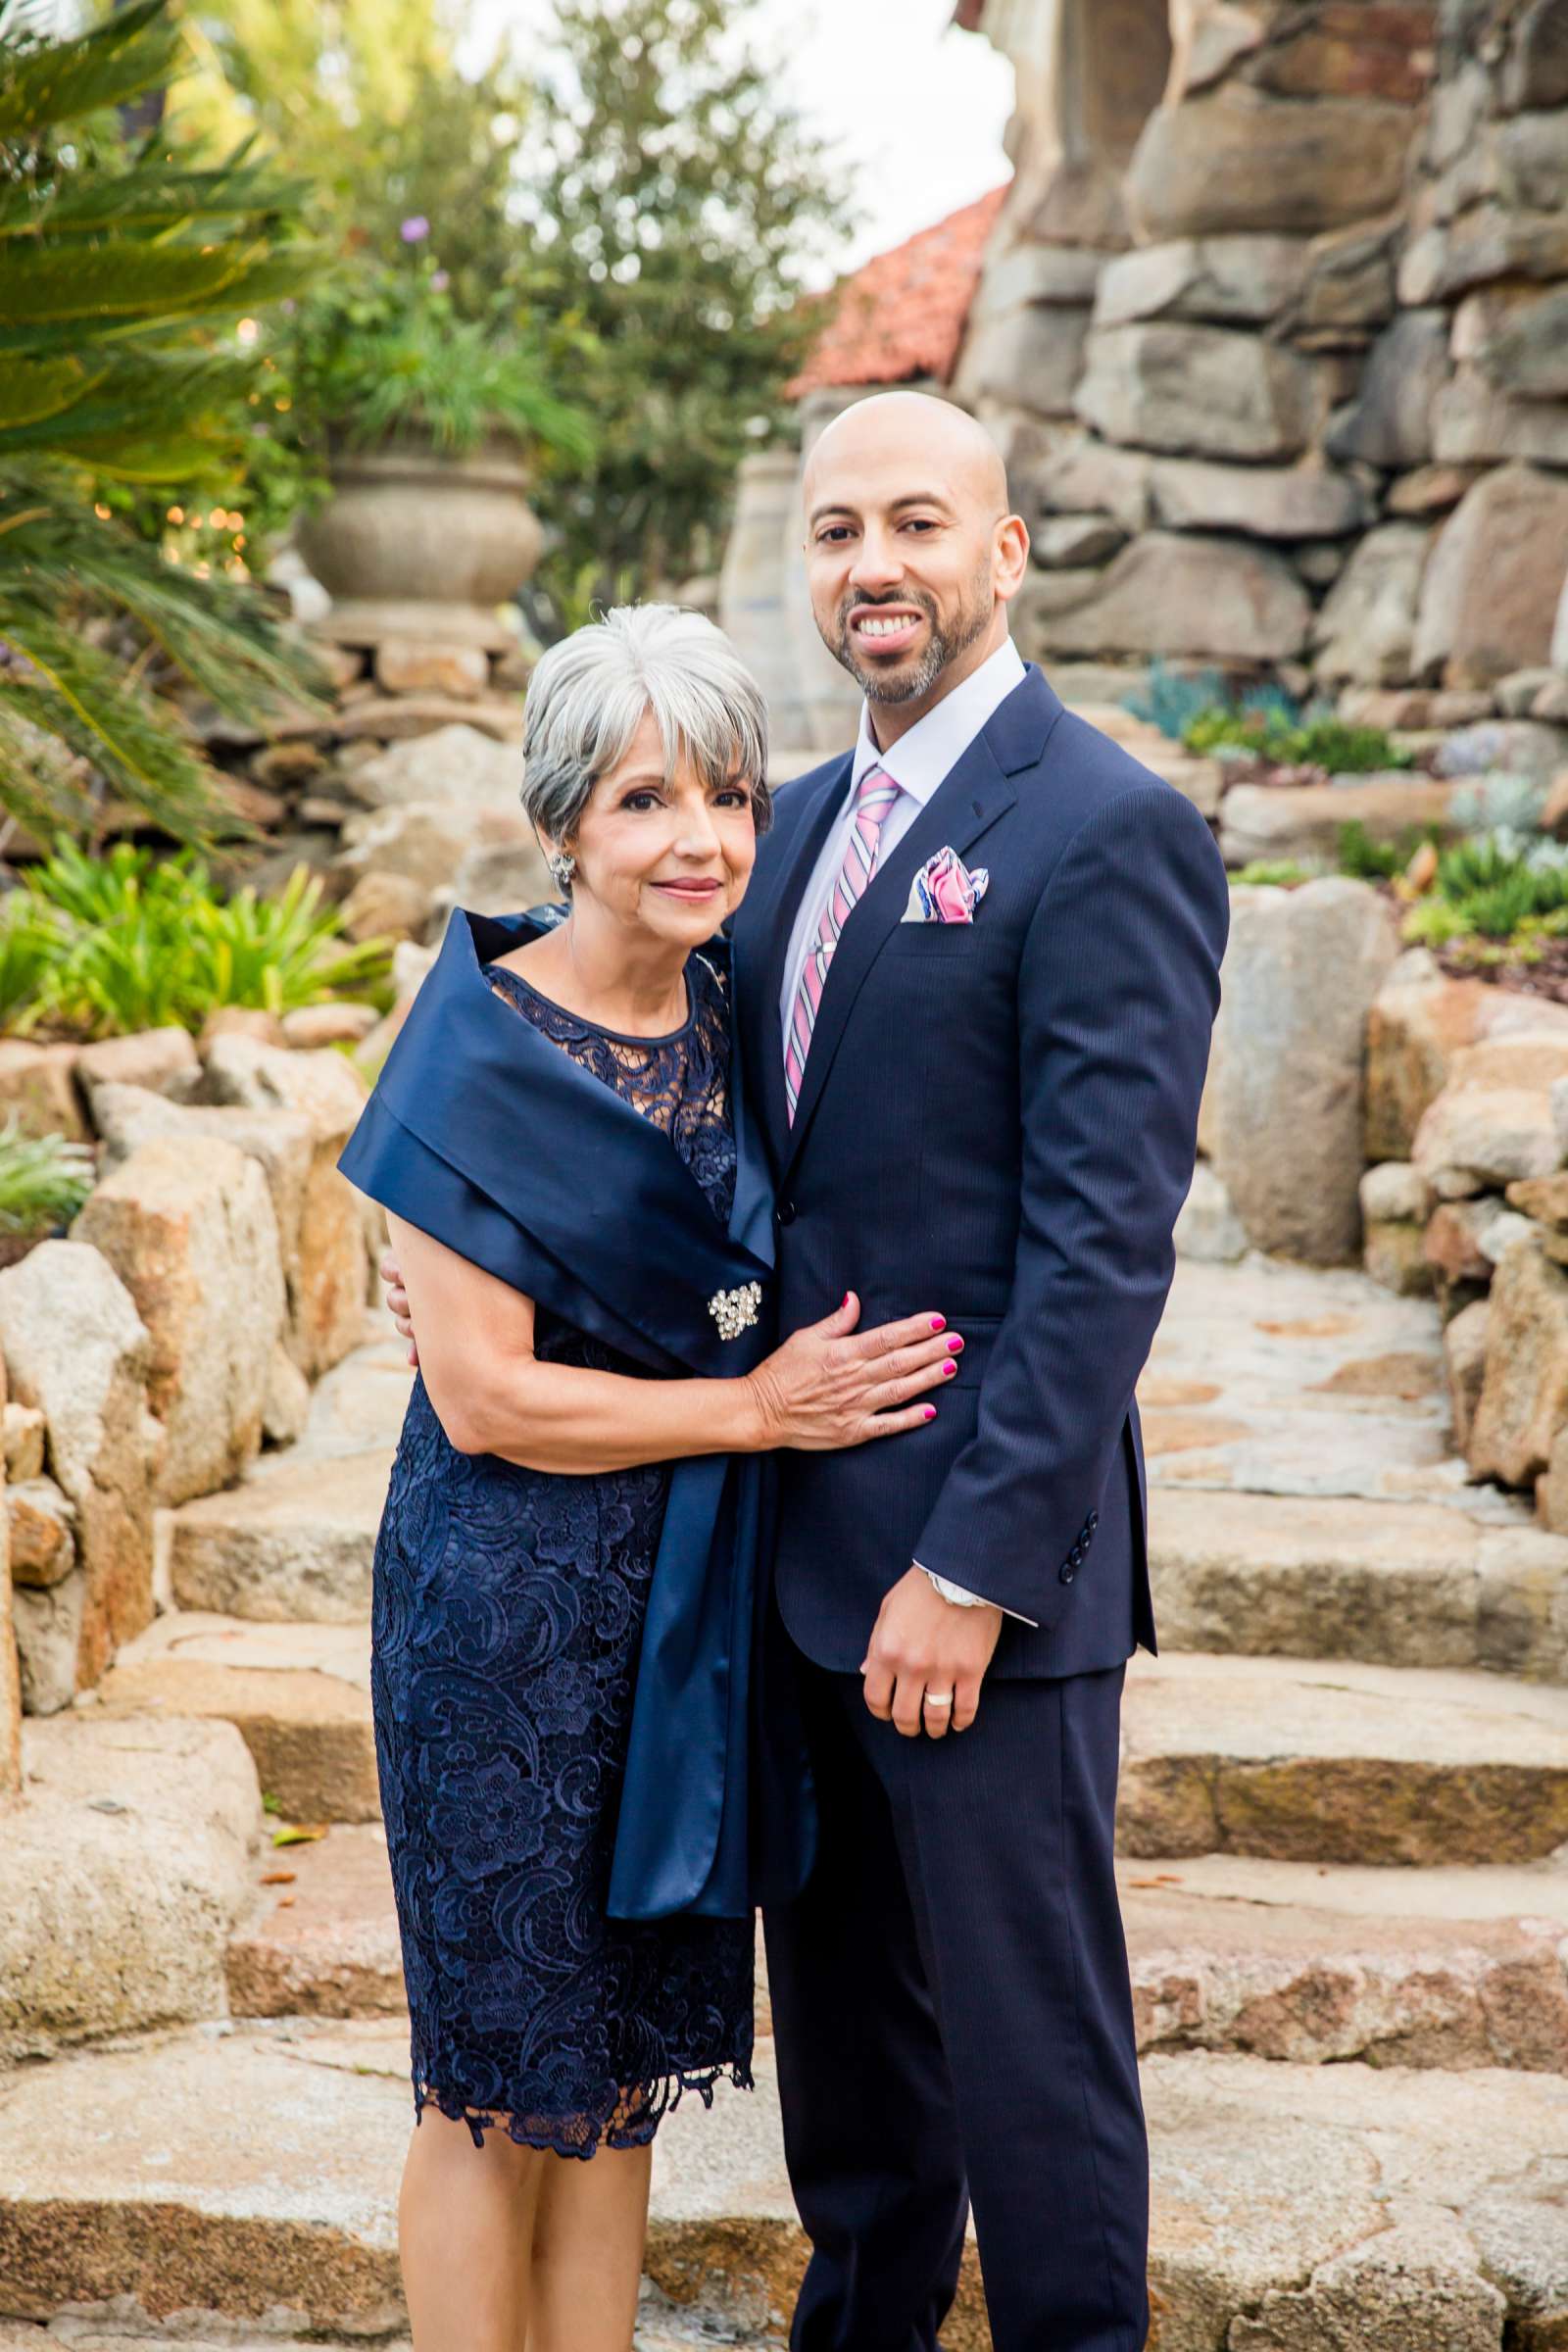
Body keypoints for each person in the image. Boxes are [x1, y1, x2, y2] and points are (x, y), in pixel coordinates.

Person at [386, 392, 1230, 2352]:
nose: (874, 563)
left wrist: (973, 1567)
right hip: (772, 1583)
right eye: (838, 527)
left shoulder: (1102, 830)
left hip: (971, 1589)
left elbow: (1104, 1250)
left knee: (1028, 2071)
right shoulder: (794, 832)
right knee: (854, 2096)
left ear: (1001, 551)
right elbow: (605, 1070)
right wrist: (444, 1203)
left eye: (918, 523)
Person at [339, 602, 964, 2352]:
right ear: (564, 826)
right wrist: (757, 1414)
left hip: (682, 1612)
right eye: (642, 802)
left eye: (729, 800)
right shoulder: (474, 1050)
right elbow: (480, 1402)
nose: (698, 840)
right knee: (491, 2081)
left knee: (618, 2082)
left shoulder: (736, 1005)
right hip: (504, 1616)